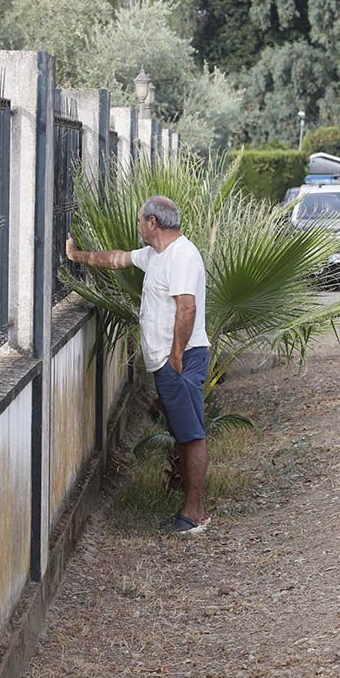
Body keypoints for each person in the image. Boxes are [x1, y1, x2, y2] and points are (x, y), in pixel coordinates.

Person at [65, 195, 211, 535]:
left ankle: (194, 515)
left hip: (182, 359)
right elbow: (116, 259)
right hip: (168, 360)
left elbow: (186, 309)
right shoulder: (156, 255)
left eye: (139, 220)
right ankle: (192, 509)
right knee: (184, 432)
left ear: (153, 223)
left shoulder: (182, 256)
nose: (137, 226)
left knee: (192, 435)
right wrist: (78, 256)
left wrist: (175, 355)